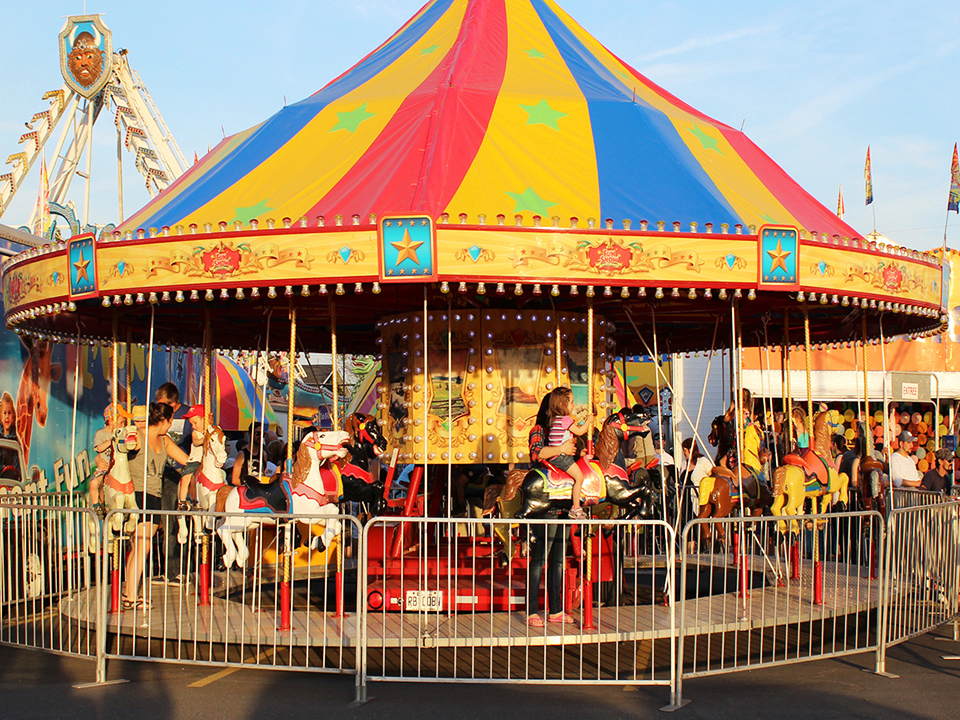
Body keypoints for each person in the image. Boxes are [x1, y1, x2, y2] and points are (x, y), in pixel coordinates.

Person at [121, 403, 191, 610]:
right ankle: (131, 596)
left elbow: (185, 460)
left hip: (154, 495)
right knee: (142, 546)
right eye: (170, 422)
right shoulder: (138, 436)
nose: (170, 426)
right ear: (163, 421)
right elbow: (120, 450)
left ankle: (129, 591)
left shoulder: (164, 440)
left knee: (138, 547)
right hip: (137, 494)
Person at [526, 389, 577, 628]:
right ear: (549, 410)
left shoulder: (565, 430)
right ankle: (532, 610)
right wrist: (562, 449)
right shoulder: (540, 431)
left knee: (558, 559)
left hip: (563, 498)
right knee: (540, 557)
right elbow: (537, 453)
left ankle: (555, 609)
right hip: (545, 498)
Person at [546, 387, 594, 520]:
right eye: (571, 402)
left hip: (556, 456)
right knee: (579, 477)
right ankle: (576, 508)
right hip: (562, 457)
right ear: (562, 405)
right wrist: (589, 421)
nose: (573, 405)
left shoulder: (555, 419)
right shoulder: (565, 419)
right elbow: (579, 431)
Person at [89, 403, 131, 516]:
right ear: (112, 421)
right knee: (94, 483)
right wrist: (111, 440)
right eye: (121, 422)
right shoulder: (101, 433)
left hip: (116, 467)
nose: (123, 425)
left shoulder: (121, 434)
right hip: (104, 466)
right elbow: (99, 448)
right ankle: (96, 506)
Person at [680, 438, 713, 506]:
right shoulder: (683, 464)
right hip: (685, 500)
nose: (683, 452)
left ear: (690, 450)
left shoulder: (703, 461)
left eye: (684, 450)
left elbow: (712, 477)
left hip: (698, 499)